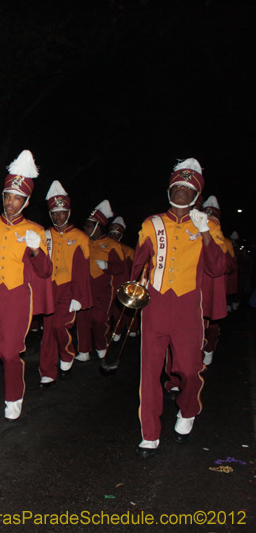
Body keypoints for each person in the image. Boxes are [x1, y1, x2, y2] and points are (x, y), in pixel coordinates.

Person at [131, 158, 228, 458]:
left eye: (188, 188)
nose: (182, 191)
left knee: (188, 369)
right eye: (178, 187)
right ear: (169, 189)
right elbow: (138, 264)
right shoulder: (152, 223)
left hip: (188, 305)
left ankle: (188, 410)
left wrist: (206, 234)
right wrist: (135, 288)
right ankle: (150, 433)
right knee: (149, 372)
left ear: (196, 194)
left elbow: (218, 267)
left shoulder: (208, 224)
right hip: (155, 304)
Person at [0, 150, 53, 433]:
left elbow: (45, 272)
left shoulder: (36, 230)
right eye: (7, 196)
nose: (10, 202)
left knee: (9, 353)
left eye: (17, 197)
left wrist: (35, 250)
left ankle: (14, 395)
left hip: (18, 297)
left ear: (26, 201)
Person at [38, 181, 91, 388]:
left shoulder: (79, 237)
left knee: (60, 325)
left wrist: (79, 296)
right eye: (54, 213)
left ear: (68, 212)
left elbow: (81, 269)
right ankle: (48, 371)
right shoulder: (45, 235)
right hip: (49, 287)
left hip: (68, 286)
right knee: (48, 330)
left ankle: (67, 354)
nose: (58, 216)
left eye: (61, 212)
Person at [75, 200, 126, 362]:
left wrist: (107, 266)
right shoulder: (83, 242)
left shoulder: (112, 245)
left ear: (98, 226)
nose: (85, 228)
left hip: (103, 289)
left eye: (89, 226)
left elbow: (121, 268)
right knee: (82, 319)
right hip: (85, 287)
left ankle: (101, 346)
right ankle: (83, 351)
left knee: (99, 319)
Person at [198, 196, 234, 366]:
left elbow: (230, 265)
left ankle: (209, 348)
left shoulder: (224, 241)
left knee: (211, 324)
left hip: (215, 287)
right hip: (196, 285)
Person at [107, 217, 137, 341]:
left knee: (120, 311)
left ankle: (119, 331)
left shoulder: (129, 251)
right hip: (107, 284)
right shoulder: (104, 247)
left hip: (122, 283)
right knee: (108, 311)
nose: (114, 236)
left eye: (117, 234)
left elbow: (133, 269)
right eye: (112, 234)